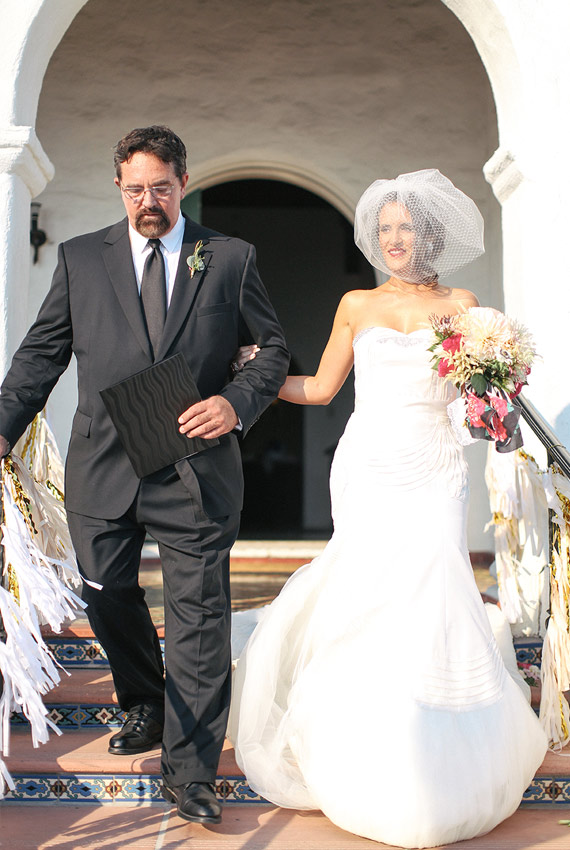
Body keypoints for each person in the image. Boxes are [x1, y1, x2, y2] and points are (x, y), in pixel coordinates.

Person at [228, 169, 547, 848]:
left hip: (436, 465)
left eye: (406, 227)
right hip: (369, 463)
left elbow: (474, 400)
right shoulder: (356, 304)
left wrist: (492, 406)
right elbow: (320, 388)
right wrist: (257, 378)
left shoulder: (464, 306)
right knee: (369, 587)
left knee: (434, 586)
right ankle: (366, 742)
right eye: (385, 229)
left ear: (430, 235)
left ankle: (444, 749)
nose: (395, 239)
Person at [0, 126, 289, 824]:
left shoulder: (229, 257)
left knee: (198, 617)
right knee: (105, 591)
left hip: (196, 467)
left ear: (183, 182)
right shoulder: (80, 258)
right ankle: (145, 701)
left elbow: (274, 349)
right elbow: (40, 356)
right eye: (135, 190)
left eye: (160, 187)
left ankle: (190, 773)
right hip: (104, 466)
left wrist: (236, 402)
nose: (148, 202)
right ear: (119, 188)